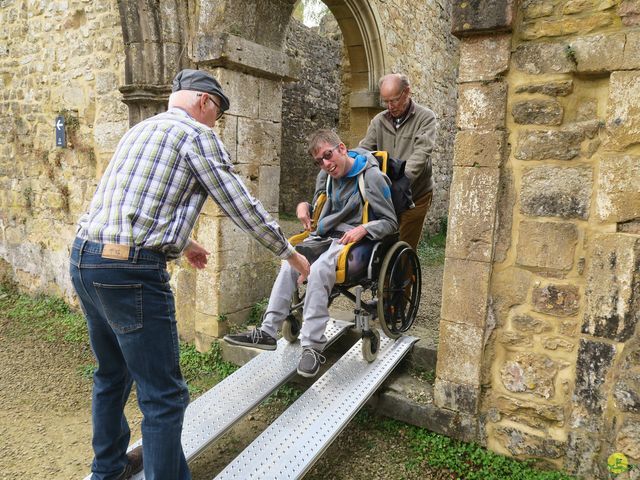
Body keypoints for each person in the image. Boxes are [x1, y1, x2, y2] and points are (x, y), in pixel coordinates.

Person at [69, 69, 310, 480]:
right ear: (204, 102)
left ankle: (107, 469)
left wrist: (184, 243)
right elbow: (241, 204)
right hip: (129, 273)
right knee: (164, 396)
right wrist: (291, 255)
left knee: (111, 374)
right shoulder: (197, 135)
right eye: (217, 113)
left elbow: (135, 202)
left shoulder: (142, 130)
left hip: (85, 260)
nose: (216, 122)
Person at [224, 129, 397, 378]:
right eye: (319, 161)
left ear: (342, 149)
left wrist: (364, 228)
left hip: (352, 241)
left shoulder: (371, 178)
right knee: (290, 262)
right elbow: (317, 202)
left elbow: (391, 222)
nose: (326, 164)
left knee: (318, 270)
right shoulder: (325, 176)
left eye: (328, 156)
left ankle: (312, 347)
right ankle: (268, 331)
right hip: (322, 236)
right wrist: (304, 206)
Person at [358, 73, 437, 251]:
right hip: (387, 195)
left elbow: (421, 154)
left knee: (404, 246)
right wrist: (350, 161)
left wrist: (402, 180)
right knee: (383, 242)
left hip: (415, 194)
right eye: (385, 101)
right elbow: (365, 149)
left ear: (407, 92)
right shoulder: (379, 121)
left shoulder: (426, 118)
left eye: (393, 100)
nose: (389, 106)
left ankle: (405, 277)